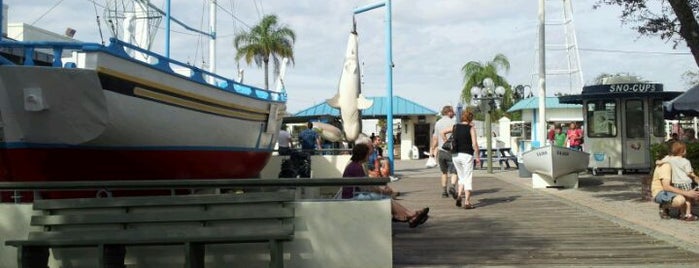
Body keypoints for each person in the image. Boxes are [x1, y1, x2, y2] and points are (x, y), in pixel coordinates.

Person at [342, 143, 429, 228]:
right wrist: (383, 191)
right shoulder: (356, 167)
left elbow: (366, 185)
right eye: (368, 154)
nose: (369, 156)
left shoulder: (354, 165)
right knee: (386, 198)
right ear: (363, 155)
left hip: (354, 194)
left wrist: (381, 191)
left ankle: (410, 215)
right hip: (353, 197)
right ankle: (410, 215)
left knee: (387, 198)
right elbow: (367, 187)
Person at [441, 109, 480, 209]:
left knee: (461, 177)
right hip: (466, 155)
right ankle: (467, 202)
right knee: (468, 178)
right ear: (470, 118)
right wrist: (478, 156)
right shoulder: (471, 128)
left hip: (455, 155)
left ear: (463, 117)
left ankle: (459, 196)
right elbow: (474, 144)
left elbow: (443, 132)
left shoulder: (455, 127)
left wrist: (448, 144)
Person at [651, 155, 699, 221]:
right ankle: (663, 207)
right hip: (661, 192)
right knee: (680, 200)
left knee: (692, 194)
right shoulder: (666, 166)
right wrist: (687, 193)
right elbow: (666, 187)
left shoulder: (682, 162)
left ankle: (684, 212)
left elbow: (692, 175)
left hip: (675, 189)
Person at [661, 141, 699, 215]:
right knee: (688, 199)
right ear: (683, 151)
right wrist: (693, 175)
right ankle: (688, 214)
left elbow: (661, 161)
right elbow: (689, 173)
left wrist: (658, 162)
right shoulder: (686, 161)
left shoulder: (671, 159)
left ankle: (682, 213)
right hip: (686, 182)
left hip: (676, 183)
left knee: (681, 197)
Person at [431, 105, 458, 198]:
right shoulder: (454, 122)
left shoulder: (438, 123)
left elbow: (435, 139)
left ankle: (444, 192)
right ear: (449, 112)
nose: (453, 113)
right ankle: (453, 187)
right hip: (451, 151)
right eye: (452, 111)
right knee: (455, 171)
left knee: (444, 172)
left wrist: (432, 150)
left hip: (441, 151)